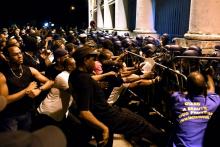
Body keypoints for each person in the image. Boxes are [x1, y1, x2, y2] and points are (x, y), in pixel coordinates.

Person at [68, 46, 167, 147]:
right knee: (141, 124)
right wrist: (104, 128)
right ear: (85, 60)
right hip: (106, 115)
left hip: (103, 114)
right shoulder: (84, 79)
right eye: (93, 60)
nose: (95, 64)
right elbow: (84, 112)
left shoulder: (74, 75)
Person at [0, 45, 54, 132]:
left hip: (27, 112)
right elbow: (4, 100)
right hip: (10, 116)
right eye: (15, 54)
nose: (20, 56)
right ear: (7, 57)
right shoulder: (3, 75)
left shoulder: (30, 70)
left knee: (25, 138)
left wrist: (39, 90)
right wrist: (26, 90)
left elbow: (50, 82)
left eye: (20, 53)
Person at [169, 71, 220, 147]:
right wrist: (207, 74)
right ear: (205, 87)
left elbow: (175, 93)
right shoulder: (213, 102)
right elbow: (212, 89)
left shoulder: (178, 100)